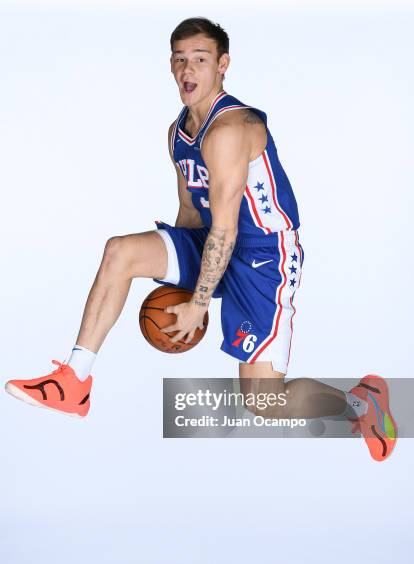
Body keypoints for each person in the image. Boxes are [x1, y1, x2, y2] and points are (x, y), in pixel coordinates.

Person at [4, 17, 397, 461]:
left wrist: (198, 302)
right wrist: (177, 281)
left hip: (263, 255)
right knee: (121, 251)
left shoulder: (230, 130)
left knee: (264, 402)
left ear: (222, 64)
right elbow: (192, 214)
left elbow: (229, 230)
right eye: (179, 60)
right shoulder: (178, 133)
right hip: (211, 238)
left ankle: (360, 401)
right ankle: (74, 380)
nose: (187, 70)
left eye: (200, 59)